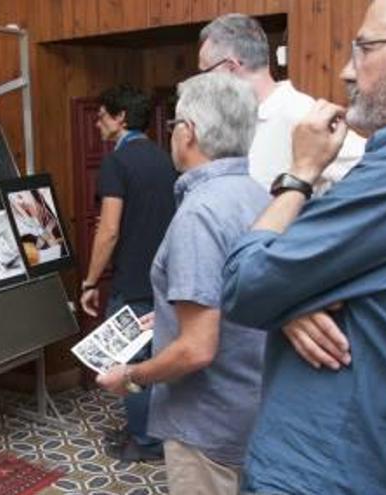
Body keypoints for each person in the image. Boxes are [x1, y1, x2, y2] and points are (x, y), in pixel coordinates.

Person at [220, 1, 386, 493]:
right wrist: (290, 296)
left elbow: (245, 285)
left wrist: (299, 175)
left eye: (363, 48)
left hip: (331, 469)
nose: (344, 70)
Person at [97, 73, 268, 494]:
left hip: (207, 423)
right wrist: (168, 315)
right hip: (257, 408)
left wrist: (133, 375)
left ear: (188, 133)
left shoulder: (200, 213)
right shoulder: (260, 195)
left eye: (174, 125)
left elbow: (197, 348)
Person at [80, 84, 177, 462]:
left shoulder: (115, 163)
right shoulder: (166, 158)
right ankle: (160, 433)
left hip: (133, 282)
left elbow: (109, 229)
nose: (97, 124)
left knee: (126, 366)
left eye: (102, 116)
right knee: (161, 361)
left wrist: (90, 281)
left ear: (120, 118)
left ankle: (145, 440)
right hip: (167, 280)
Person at [198, 13, 366, 194]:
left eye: (206, 73)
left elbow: (373, 169)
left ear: (231, 67)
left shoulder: (301, 113)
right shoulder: (236, 122)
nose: (202, 84)